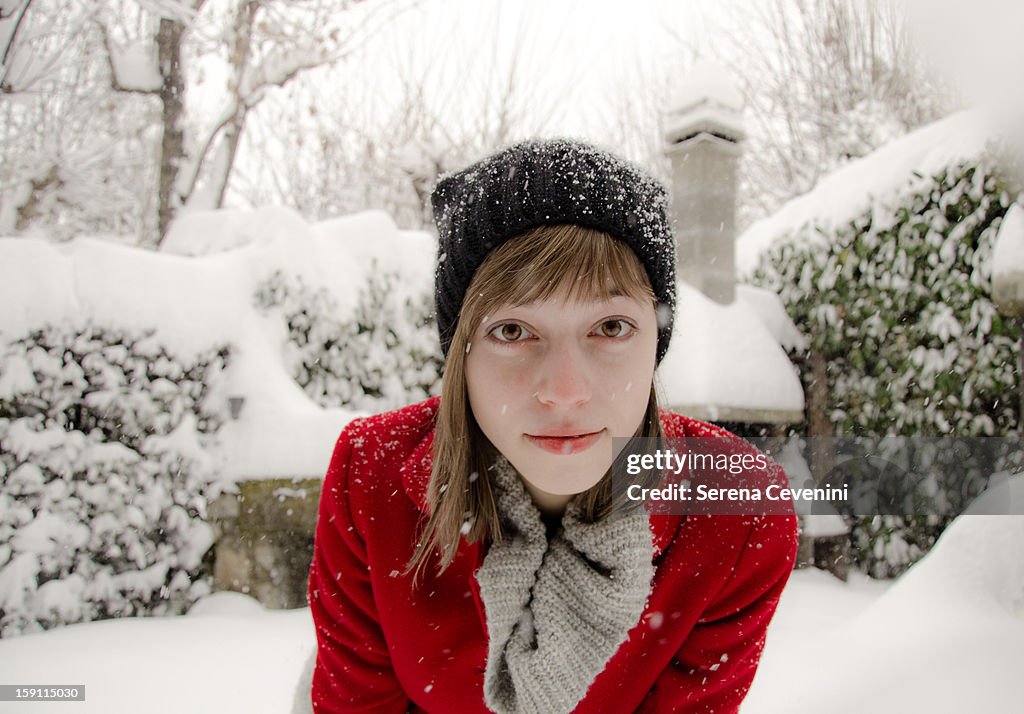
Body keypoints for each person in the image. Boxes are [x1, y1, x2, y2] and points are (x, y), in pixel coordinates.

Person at [308, 139, 799, 714]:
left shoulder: (740, 509)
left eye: (611, 327)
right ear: (460, 356)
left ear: (655, 347)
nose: (566, 391)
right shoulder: (371, 474)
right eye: (513, 331)